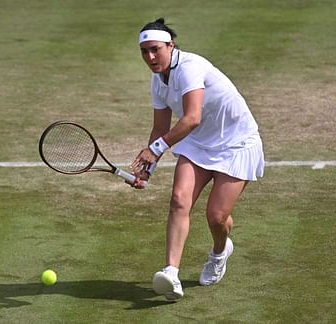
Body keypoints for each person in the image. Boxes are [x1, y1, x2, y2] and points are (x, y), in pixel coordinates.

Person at [129, 18, 265, 301]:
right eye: (144, 52)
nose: (150, 57)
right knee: (179, 200)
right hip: (199, 143)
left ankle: (219, 251)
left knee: (217, 217)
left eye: (155, 49)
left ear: (171, 45)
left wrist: (155, 149)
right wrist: (148, 168)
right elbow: (160, 128)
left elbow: (192, 117)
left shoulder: (189, 67)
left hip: (236, 142)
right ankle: (171, 273)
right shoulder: (158, 81)